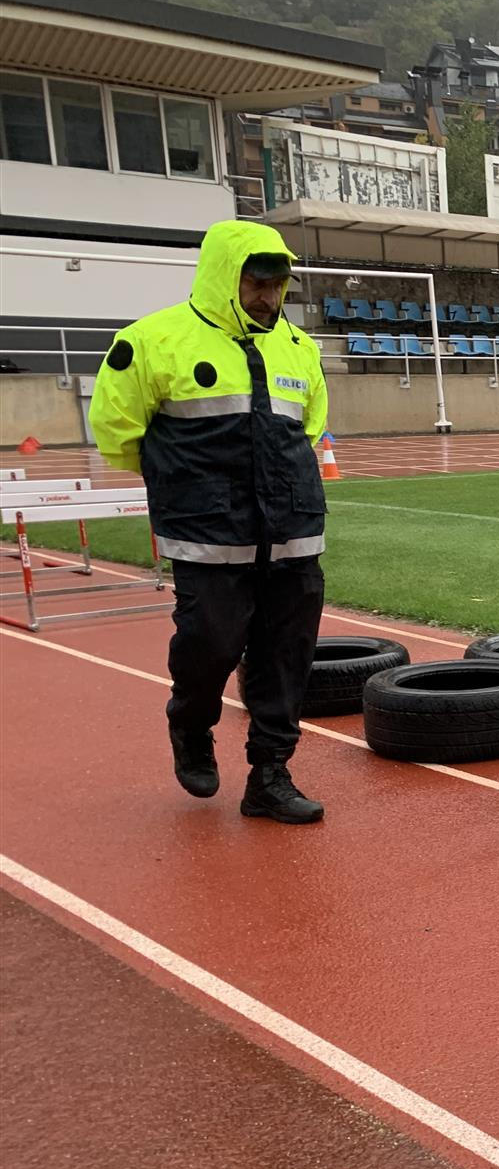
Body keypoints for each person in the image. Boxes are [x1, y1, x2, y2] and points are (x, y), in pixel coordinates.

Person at [89, 219, 330, 824]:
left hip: (293, 529)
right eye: (257, 283)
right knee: (211, 643)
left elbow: (309, 428)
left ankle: (270, 775)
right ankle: (191, 726)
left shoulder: (300, 348)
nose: (269, 297)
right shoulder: (150, 341)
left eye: (278, 286)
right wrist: (181, 484)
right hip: (206, 531)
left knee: (286, 656)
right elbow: (118, 432)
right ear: (226, 276)